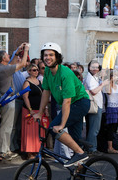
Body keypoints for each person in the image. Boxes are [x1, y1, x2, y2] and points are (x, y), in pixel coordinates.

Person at [33, 42, 91, 171]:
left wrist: (62, 124)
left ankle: (80, 153)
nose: (47, 57)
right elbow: (46, 92)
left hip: (80, 103)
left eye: (51, 55)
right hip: (72, 105)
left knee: (54, 128)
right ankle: (79, 173)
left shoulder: (65, 73)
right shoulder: (47, 71)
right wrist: (40, 112)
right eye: (45, 55)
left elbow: (67, 102)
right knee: (74, 141)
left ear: (57, 57)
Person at [0, 43, 29, 160]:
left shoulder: (1, 68)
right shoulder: (4, 69)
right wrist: (27, 50)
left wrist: (18, 51)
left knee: (7, 126)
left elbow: (13, 63)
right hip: (7, 98)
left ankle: (5, 148)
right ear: (3, 59)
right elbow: (22, 64)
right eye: (7, 55)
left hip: (7, 98)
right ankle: (3, 150)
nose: (9, 56)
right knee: (6, 126)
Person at [84, 60, 109, 155]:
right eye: (93, 67)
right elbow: (93, 91)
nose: (95, 69)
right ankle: (92, 149)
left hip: (97, 105)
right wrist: (103, 84)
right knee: (94, 129)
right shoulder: (89, 78)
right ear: (89, 67)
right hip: (94, 106)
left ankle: (91, 148)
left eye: (97, 67)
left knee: (93, 128)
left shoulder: (94, 77)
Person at [21, 64, 43, 158]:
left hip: (39, 110)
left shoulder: (39, 81)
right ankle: (30, 152)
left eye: (37, 70)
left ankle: (37, 150)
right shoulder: (27, 82)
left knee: (38, 131)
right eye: (34, 70)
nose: (36, 71)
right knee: (30, 132)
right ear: (29, 71)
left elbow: (43, 96)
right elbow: (25, 97)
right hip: (30, 110)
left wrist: (44, 108)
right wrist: (30, 110)